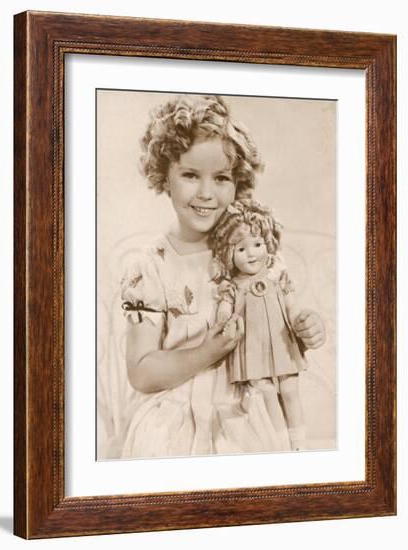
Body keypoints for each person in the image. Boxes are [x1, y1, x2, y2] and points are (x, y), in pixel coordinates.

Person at [120, 95, 325, 458]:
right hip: (177, 415)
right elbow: (141, 371)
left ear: (238, 183)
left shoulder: (251, 255)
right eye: (189, 175)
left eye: (221, 178)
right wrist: (207, 352)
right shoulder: (150, 267)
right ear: (164, 176)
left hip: (249, 407)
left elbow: (277, 317)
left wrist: (306, 327)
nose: (206, 193)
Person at [210, 199, 324, 450]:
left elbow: (292, 306)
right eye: (241, 249)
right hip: (252, 348)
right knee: (267, 393)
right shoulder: (232, 285)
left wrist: (300, 321)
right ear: (229, 254)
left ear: (268, 245)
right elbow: (225, 309)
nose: (252, 253)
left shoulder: (277, 275)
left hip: (282, 342)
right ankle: (280, 445)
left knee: (290, 388)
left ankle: (299, 445)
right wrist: (223, 318)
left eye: (258, 244)